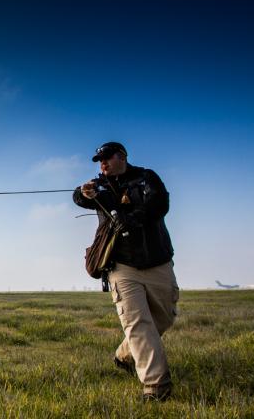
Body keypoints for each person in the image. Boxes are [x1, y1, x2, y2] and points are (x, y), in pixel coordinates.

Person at [73, 142, 179, 402]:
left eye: (107, 158)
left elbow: (160, 203)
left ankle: (125, 355)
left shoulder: (147, 177)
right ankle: (156, 387)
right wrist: (83, 193)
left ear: (122, 157)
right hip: (121, 266)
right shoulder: (98, 186)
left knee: (164, 318)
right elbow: (77, 196)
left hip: (157, 260)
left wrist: (133, 217)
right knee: (137, 324)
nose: (103, 164)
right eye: (99, 160)